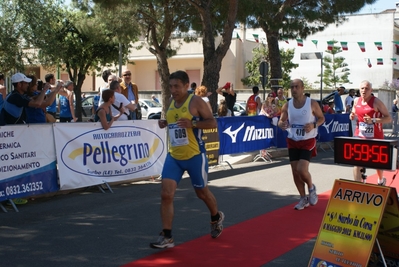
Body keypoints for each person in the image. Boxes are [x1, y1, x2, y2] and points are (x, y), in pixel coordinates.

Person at [150, 70, 224, 249]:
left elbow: (212, 123)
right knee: (166, 194)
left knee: (202, 193)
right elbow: (174, 122)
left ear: (186, 85)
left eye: (176, 86)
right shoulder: (170, 102)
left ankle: (216, 217)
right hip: (174, 156)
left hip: (194, 156)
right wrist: (165, 123)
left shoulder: (196, 101)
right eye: (170, 86)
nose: (173, 90)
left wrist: (194, 124)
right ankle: (167, 236)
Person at [278, 78, 325, 210]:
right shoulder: (287, 105)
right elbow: (281, 121)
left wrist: (313, 124)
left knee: (301, 169)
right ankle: (303, 198)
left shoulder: (312, 103)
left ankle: (311, 188)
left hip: (307, 140)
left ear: (302, 88)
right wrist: (282, 124)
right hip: (293, 140)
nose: (294, 89)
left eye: (297, 87)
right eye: (292, 87)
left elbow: (322, 118)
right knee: (295, 172)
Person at [349, 80, 392, 186]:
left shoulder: (376, 102)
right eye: (362, 88)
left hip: (375, 136)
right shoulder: (356, 101)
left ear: (371, 90)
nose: (364, 90)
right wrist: (352, 115)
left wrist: (373, 120)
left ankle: (381, 179)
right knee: (357, 162)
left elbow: (389, 118)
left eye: (366, 88)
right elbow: (354, 111)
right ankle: (358, 186)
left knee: (377, 162)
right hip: (360, 135)